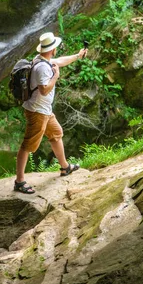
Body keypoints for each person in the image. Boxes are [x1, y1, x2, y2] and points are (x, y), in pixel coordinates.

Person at [14, 31, 88, 194]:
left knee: (56, 133)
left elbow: (60, 61)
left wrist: (78, 55)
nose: (57, 50)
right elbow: (44, 89)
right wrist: (56, 76)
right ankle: (19, 181)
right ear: (52, 49)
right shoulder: (42, 68)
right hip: (37, 112)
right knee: (28, 145)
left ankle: (65, 167)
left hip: (44, 111)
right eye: (55, 47)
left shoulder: (41, 59)